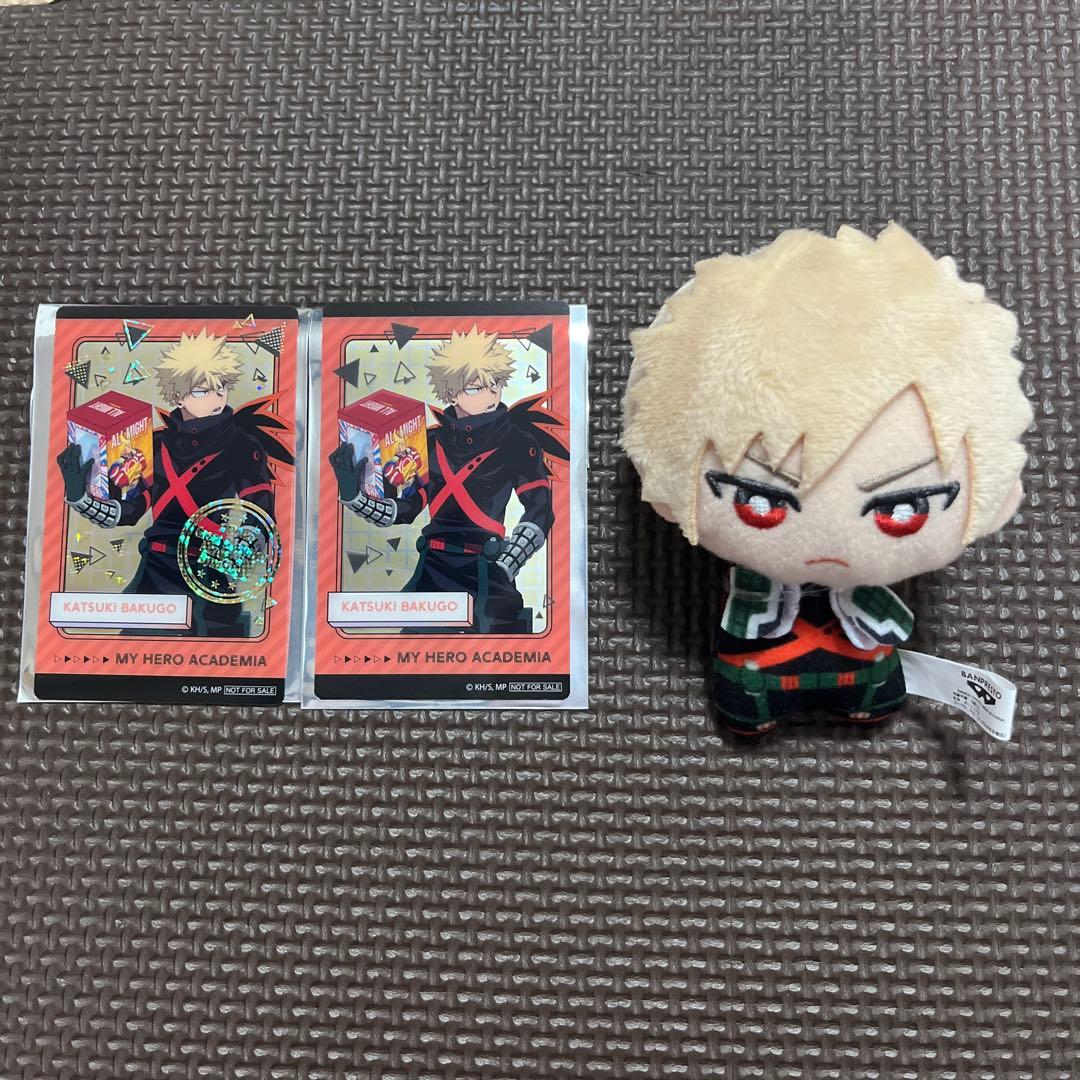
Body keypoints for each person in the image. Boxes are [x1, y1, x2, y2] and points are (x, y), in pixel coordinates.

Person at [623, 224, 1032, 737]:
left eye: (902, 511)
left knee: (839, 680)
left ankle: (843, 692)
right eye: (760, 503)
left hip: (850, 653)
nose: (828, 545)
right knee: (756, 685)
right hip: (769, 657)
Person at [330, 326, 568, 634]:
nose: (491, 394)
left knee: (501, 649)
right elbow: (405, 509)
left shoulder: (517, 442)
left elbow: (540, 509)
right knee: (407, 650)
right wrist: (354, 496)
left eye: (495, 383)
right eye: (476, 387)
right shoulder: (430, 442)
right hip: (432, 569)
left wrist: (508, 564)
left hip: (486, 570)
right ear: (451, 392)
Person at [57, 329, 293, 637]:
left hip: (209, 569)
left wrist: (245, 544)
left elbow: (259, 509)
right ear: (178, 395)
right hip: (156, 571)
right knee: (134, 654)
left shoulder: (242, 445)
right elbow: (131, 510)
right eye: (203, 390)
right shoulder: (156, 445)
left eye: (221, 387)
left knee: (222, 654)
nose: (217, 397)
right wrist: (81, 497)